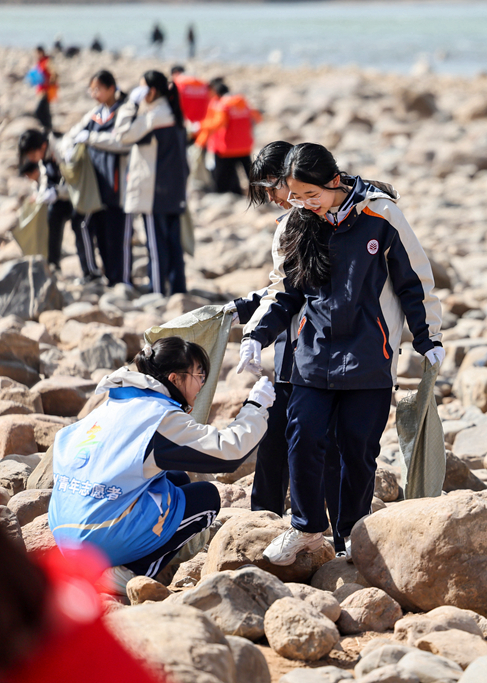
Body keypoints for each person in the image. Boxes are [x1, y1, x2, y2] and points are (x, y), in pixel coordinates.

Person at [240, 143, 444, 564]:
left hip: (370, 353)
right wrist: (256, 335)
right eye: (296, 197)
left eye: (311, 196)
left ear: (335, 182)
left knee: (358, 449)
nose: (303, 205)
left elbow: (415, 283)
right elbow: (284, 291)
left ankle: (350, 533)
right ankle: (307, 526)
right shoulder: (295, 224)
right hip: (312, 352)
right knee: (302, 435)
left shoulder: (381, 216)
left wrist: (429, 339)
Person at [48, 337, 275, 595]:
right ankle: (129, 573)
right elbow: (228, 453)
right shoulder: (160, 417)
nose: (203, 383)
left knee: (176, 479)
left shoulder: (117, 401)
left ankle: (125, 554)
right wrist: (256, 407)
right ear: (175, 379)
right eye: (199, 374)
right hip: (95, 539)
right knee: (206, 498)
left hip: (63, 532)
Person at [225, 140, 340, 523]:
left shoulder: (326, 218)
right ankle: (265, 517)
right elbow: (284, 286)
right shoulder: (293, 220)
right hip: (293, 342)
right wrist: (244, 311)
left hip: (322, 347)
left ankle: (326, 523)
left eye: (272, 188)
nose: (272, 198)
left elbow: (302, 289)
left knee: (313, 439)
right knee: (276, 431)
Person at [80, 70, 189, 296]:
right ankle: (177, 290)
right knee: (173, 243)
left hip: (154, 191)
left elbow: (122, 134)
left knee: (156, 245)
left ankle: (158, 290)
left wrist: (131, 102)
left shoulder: (154, 116)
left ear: (150, 91)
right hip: (173, 189)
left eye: (142, 88)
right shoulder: (172, 113)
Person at [63, 70, 133, 287]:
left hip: (118, 186)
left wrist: (91, 138)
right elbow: (73, 134)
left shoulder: (124, 111)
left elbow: (123, 142)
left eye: (98, 89)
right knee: (101, 234)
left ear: (111, 88)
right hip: (96, 186)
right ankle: (109, 278)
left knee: (118, 236)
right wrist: (69, 147)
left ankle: (122, 280)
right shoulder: (95, 114)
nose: (94, 94)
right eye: (92, 90)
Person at [18, 130, 73, 275]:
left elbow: (75, 180)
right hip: (61, 197)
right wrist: (42, 195)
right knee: (52, 221)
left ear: (42, 146)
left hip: (76, 197)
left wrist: (57, 192)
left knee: (81, 227)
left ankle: (91, 273)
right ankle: (53, 264)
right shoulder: (43, 159)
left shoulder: (62, 149)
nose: (31, 158)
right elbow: (45, 180)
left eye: (31, 154)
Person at [196, 80, 261, 195]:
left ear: (216, 93)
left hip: (227, 148)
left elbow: (218, 123)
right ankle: (261, 195)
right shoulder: (243, 102)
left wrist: (201, 125)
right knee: (250, 174)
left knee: (221, 176)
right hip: (245, 146)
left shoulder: (223, 105)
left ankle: (224, 194)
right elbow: (257, 118)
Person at [27, 47, 57, 133]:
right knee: (45, 111)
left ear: (41, 52)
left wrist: (48, 83)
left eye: (37, 53)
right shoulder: (40, 62)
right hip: (41, 91)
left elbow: (54, 74)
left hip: (46, 92)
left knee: (40, 111)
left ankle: (47, 129)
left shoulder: (47, 61)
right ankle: (48, 130)